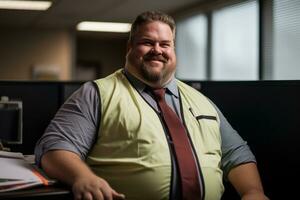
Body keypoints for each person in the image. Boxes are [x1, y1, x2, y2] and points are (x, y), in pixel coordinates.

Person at [35, 11, 269, 200]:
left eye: (165, 44)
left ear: (173, 50)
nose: (157, 50)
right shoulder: (97, 93)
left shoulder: (201, 101)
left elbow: (236, 153)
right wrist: (82, 177)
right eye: (147, 42)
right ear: (130, 48)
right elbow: (55, 147)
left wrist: (253, 191)